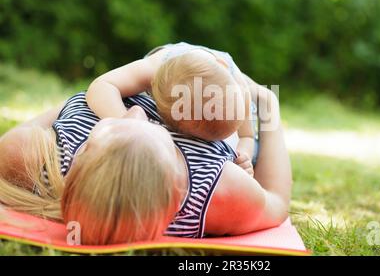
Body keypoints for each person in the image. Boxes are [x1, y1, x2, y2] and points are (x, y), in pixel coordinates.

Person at [0, 74, 291, 245]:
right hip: (223, 109)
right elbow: (276, 200)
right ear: (179, 188)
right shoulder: (220, 191)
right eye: (155, 127)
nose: (139, 113)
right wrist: (269, 107)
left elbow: (65, 106)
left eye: (117, 125)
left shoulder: (32, 157)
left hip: (157, 77)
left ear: (80, 158)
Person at [86, 42, 255, 173]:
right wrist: (128, 124)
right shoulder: (154, 68)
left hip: (201, 73)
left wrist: (242, 156)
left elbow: (247, 135)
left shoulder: (239, 87)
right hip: (167, 67)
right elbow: (102, 85)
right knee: (86, 99)